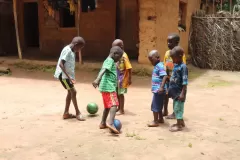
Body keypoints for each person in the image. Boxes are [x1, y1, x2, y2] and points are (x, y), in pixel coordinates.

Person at [92, 46, 123, 134]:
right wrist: (97, 79)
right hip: (109, 87)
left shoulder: (110, 60)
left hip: (105, 87)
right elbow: (104, 69)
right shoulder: (109, 60)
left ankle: (102, 123)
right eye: (119, 57)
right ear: (114, 54)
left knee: (107, 107)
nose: (119, 59)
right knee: (114, 104)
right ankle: (111, 123)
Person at [54, 37, 86, 121]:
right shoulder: (67, 50)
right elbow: (61, 64)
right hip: (64, 76)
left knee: (70, 92)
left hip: (67, 76)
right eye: (80, 48)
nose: (79, 50)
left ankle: (66, 113)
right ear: (75, 45)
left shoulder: (72, 50)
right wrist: (69, 78)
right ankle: (78, 113)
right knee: (73, 91)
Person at [163, 33, 186, 119]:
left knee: (175, 96)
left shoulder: (180, 54)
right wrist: (165, 76)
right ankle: (165, 110)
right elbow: (165, 65)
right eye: (168, 42)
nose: (168, 44)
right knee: (165, 95)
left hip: (176, 80)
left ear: (177, 43)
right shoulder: (167, 53)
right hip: (168, 78)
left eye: (171, 42)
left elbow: (182, 66)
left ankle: (175, 113)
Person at [168, 46, 188, 132]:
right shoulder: (176, 65)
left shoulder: (183, 67)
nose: (172, 60)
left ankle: (179, 125)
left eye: (173, 58)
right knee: (176, 108)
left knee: (178, 109)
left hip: (179, 93)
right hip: (175, 93)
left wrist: (183, 93)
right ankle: (181, 122)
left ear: (180, 56)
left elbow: (185, 82)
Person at [147, 50, 168, 127]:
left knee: (155, 106)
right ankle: (161, 119)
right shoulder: (157, 65)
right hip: (157, 90)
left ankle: (155, 121)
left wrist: (161, 87)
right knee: (159, 105)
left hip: (159, 90)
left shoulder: (160, 66)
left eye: (152, 60)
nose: (151, 62)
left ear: (158, 58)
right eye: (150, 60)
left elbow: (165, 76)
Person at [112, 39, 132, 114]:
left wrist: (129, 79)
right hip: (116, 78)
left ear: (121, 47)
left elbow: (129, 67)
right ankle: (118, 107)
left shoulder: (124, 56)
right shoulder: (116, 55)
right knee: (117, 93)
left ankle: (121, 109)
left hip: (122, 79)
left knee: (121, 94)